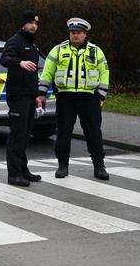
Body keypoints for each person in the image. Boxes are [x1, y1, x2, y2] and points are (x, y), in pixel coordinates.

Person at [38, 18, 111, 180]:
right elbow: (47, 72)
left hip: (89, 99)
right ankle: (62, 166)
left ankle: (99, 166)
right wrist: (41, 93)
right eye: (72, 33)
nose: (75, 36)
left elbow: (104, 72)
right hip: (66, 98)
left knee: (94, 134)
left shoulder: (95, 51)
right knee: (63, 133)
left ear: (85, 34)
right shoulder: (58, 50)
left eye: (78, 33)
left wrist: (101, 95)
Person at [0, 10, 44, 187]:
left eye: (36, 23)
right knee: (17, 136)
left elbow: (33, 74)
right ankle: (14, 174)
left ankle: (23, 170)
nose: (34, 26)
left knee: (25, 135)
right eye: (30, 23)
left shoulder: (32, 45)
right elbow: (4, 59)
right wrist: (20, 63)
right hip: (18, 96)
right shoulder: (15, 41)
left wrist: (37, 96)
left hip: (29, 95)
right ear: (23, 24)